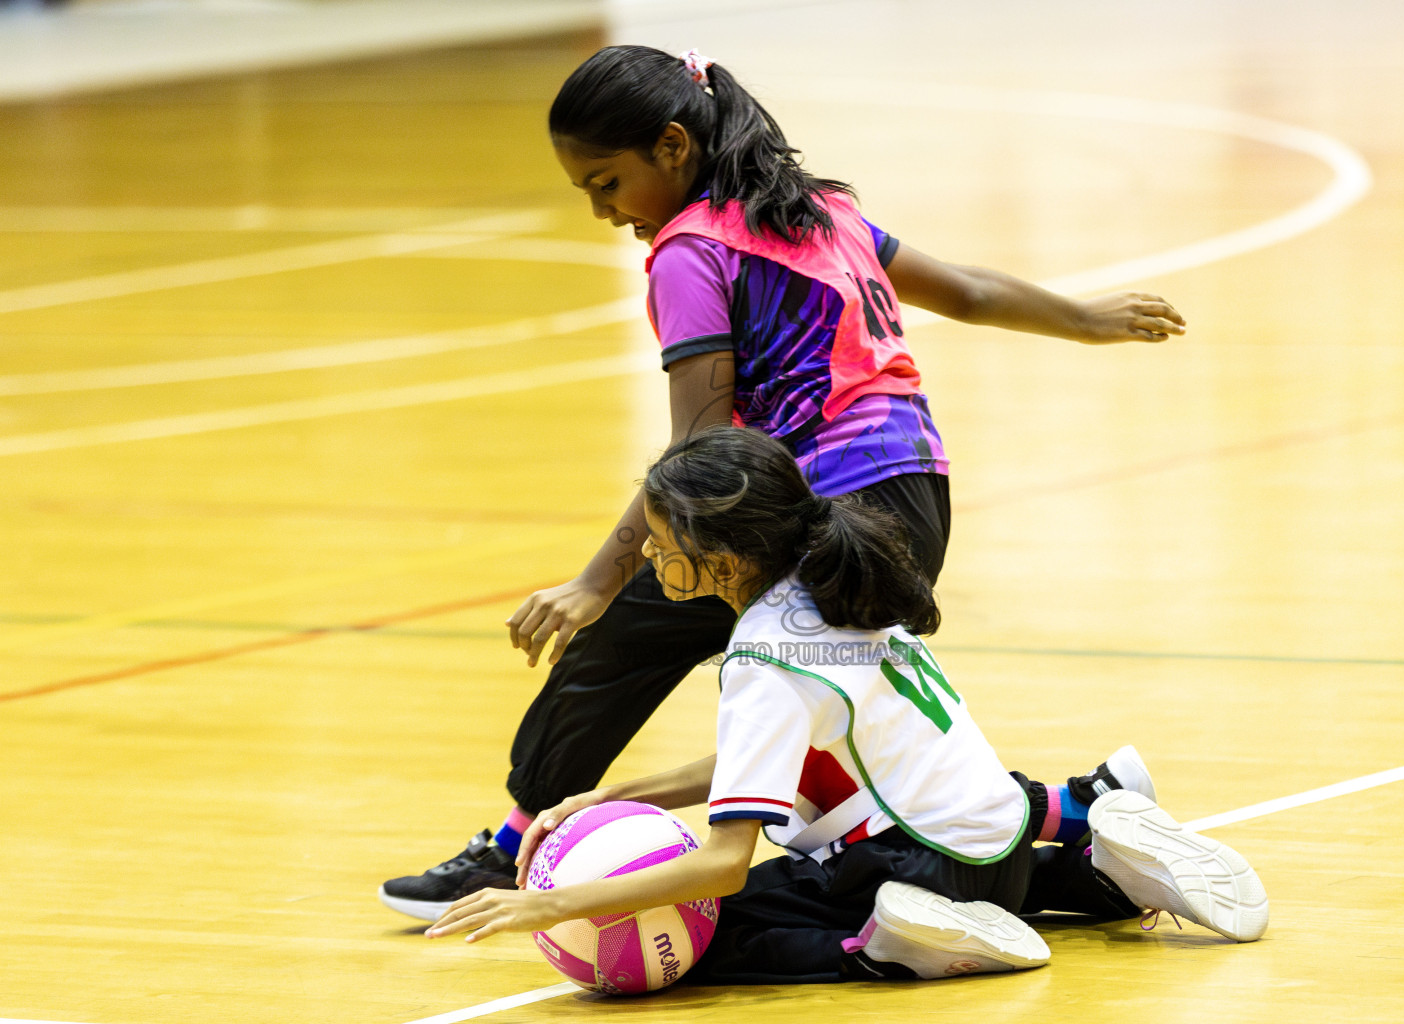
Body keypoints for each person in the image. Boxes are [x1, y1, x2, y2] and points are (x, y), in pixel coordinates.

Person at [380, 44, 1188, 920]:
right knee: (849, 695)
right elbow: (968, 292)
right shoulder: (821, 211)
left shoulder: (692, 252)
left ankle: (514, 850)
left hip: (815, 505)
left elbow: (697, 446)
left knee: (627, 650)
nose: (601, 210)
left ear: (674, 146)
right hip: (915, 495)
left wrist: (595, 579)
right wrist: (1086, 319)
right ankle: (1078, 817)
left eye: (606, 183)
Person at [424, 427, 1269, 984]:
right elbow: (776, 764)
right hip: (995, 842)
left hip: (919, 864)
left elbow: (721, 862)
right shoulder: (828, 587)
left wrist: (544, 904)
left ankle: (886, 947)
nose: (644, 551)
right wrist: (615, 796)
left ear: (720, 558)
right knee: (980, 872)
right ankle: (1099, 869)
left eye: (660, 540)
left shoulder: (761, 656)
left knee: (712, 934)